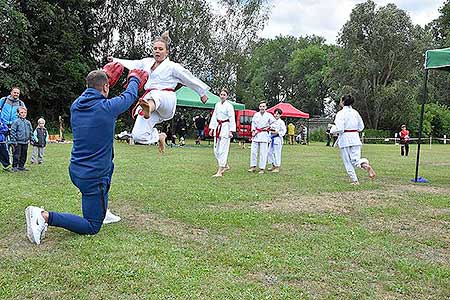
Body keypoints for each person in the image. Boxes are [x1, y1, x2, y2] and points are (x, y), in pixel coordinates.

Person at [24, 68, 148, 245]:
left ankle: (102, 211)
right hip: (93, 175)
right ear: (105, 87)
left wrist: (104, 77)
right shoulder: (107, 107)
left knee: (106, 177)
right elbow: (129, 96)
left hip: (77, 169)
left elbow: (92, 91)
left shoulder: (76, 105)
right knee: (92, 225)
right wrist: (135, 78)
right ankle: (44, 216)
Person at [108, 31, 209, 149]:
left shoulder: (173, 67)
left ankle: (148, 108)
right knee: (138, 135)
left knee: (155, 94)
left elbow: (188, 78)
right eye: (155, 48)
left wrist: (201, 92)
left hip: (167, 101)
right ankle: (159, 136)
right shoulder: (146, 62)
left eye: (160, 49)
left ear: (167, 52)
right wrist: (116, 60)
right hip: (150, 101)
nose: (157, 51)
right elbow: (133, 63)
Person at [330, 95, 376, 185]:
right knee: (355, 160)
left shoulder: (340, 114)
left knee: (347, 161)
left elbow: (340, 129)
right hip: (355, 138)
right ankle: (366, 166)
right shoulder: (355, 113)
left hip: (345, 139)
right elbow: (361, 127)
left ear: (343, 102)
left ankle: (355, 180)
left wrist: (332, 129)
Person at [209, 88, 236, 177]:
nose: (222, 96)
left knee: (222, 150)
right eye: (221, 94)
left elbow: (232, 118)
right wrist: (212, 128)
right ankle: (225, 165)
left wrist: (231, 131)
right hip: (218, 127)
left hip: (226, 127)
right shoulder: (217, 105)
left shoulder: (229, 106)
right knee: (216, 150)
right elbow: (214, 117)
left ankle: (220, 171)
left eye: (224, 95)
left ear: (227, 96)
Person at [248, 101, 275, 174]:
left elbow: (274, 123)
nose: (262, 108)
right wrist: (253, 130)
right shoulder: (256, 115)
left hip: (264, 134)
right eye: (260, 106)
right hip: (256, 134)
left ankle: (262, 168)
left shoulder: (269, 115)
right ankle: (253, 166)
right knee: (253, 151)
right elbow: (253, 123)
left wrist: (269, 127)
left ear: (266, 107)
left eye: (263, 106)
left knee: (263, 152)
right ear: (259, 107)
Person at [10, 107, 32, 172]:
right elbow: (13, 132)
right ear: (18, 114)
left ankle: (21, 166)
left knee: (24, 155)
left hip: (25, 142)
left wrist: (32, 139)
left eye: (25, 112)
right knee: (16, 155)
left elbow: (31, 131)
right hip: (17, 142)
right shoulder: (16, 122)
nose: (23, 114)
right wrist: (14, 141)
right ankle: (14, 167)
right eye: (21, 112)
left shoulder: (28, 122)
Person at [267, 108, 286, 173]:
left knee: (277, 153)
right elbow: (270, 130)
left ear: (280, 115)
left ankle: (277, 167)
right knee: (269, 152)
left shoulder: (281, 122)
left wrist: (278, 133)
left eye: (277, 114)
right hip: (272, 139)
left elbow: (284, 131)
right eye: (275, 113)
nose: (276, 115)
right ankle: (273, 165)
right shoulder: (272, 121)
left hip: (278, 139)